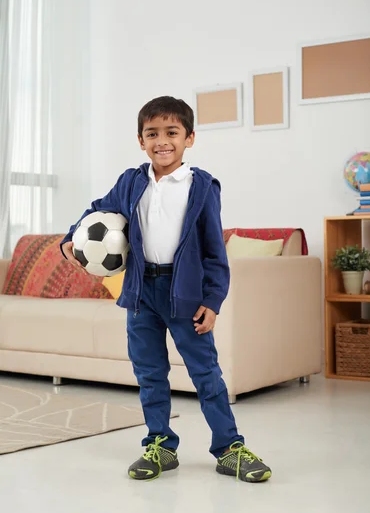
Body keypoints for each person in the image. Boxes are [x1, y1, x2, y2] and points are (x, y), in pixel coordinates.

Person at [61, 96, 272, 483]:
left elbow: (214, 251)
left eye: (172, 133)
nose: (162, 141)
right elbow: (96, 210)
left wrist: (213, 300)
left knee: (205, 374)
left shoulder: (201, 187)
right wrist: (69, 238)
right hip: (141, 293)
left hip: (185, 293)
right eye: (152, 133)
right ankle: (159, 443)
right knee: (150, 373)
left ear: (189, 138)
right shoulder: (131, 181)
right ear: (141, 140)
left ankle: (229, 448)